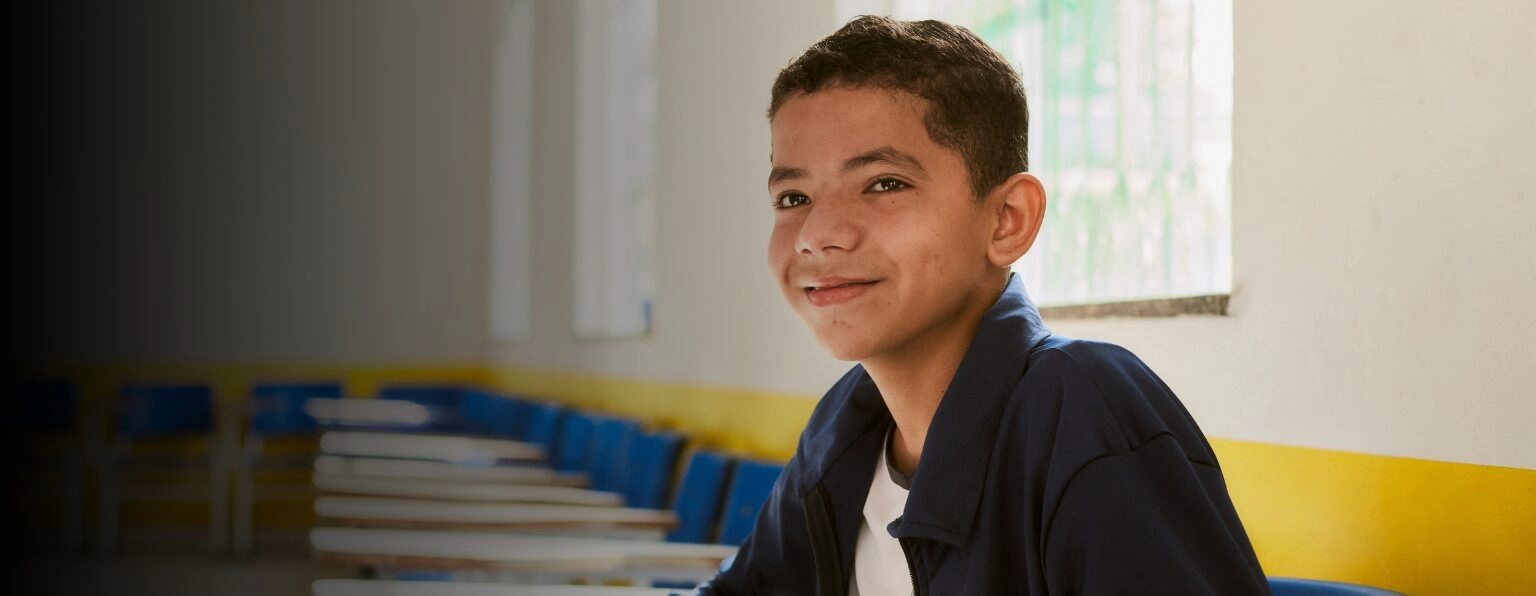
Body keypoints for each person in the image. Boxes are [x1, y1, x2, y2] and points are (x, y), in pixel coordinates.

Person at [697, 15, 1269, 596]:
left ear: (1007, 220)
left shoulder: (1082, 411)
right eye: (793, 197)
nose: (817, 233)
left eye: (884, 183)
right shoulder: (846, 428)